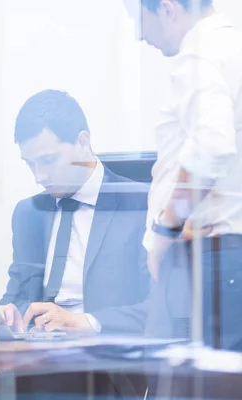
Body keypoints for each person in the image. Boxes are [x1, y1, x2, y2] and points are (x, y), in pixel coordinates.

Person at [123, 0, 242, 350]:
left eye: (139, 22)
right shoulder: (233, 47)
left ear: (168, 8)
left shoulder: (199, 55)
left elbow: (211, 146)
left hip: (215, 260)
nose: (139, 37)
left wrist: (167, 226)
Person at [0, 89, 150, 335]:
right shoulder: (29, 214)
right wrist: (5, 312)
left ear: (82, 142)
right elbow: (17, 295)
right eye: (30, 164)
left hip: (109, 361)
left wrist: (84, 322)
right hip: (37, 360)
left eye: (48, 160)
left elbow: (162, 309)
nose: (39, 177)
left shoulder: (142, 205)